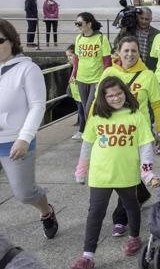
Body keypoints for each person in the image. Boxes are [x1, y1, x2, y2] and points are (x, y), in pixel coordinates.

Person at [72, 76, 155, 269]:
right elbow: (87, 145)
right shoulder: (97, 118)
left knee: (131, 207)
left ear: (125, 93)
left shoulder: (136, 116)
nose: (116, 98)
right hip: (100, 174)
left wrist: (147, 172)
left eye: (119, 93)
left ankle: (134, 237)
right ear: (103, 97)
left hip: (126, 173)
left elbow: (145, 147)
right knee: (95, 213)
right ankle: (87, 256)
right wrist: (81, 170)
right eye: (110, 96)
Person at [98, 36, 160, 237]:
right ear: (118, 52)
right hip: (114, 133)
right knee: (123, 171)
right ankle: (141, 193)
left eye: (133, 51)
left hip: (139, 133)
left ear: (139, 53)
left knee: (128, 174)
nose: (129, 54)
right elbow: (98, 100)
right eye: (126, 50)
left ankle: (120, 218)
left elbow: (157, 104)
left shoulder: (148, 75)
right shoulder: (110, 72)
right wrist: (93, 129)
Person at [0, 19, 58, 239]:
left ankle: (46, 210)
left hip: (14, 141)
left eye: (0, 40)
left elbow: (37, 106)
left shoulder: (27, 69)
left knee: (24, 193)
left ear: (12, 41)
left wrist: (24, 138)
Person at [72, 12, 112, 116]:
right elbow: (76, 59)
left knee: (89, 109)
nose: (78, 26)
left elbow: (107, 62)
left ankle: (89, 130)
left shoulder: (101, 39)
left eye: (80, 24)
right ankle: (87, 131)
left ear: (89, 24)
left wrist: (103, 79)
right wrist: (74, 74)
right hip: (81, 78)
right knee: (85, 107)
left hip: (96, 79)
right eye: (76, 23)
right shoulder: (78, 38)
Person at [114, 7, 160, 71]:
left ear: (151, 19)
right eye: (141, 18)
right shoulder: (129, 30)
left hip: (148, 70)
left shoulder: (157, 34)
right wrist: (124, 28)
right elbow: (116, 44)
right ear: (137, 17)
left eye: (146, 19)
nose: (143, 21)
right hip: (130, 68)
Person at [66, 44, 86, 141]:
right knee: (80, 112)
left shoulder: (79, 67)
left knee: (82, 113)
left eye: (70, 55)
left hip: (80, 94)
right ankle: (82, 130)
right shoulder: (74, 66)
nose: (68, 58)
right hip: (76, 95)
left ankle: (82, 131)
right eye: (67, 56)